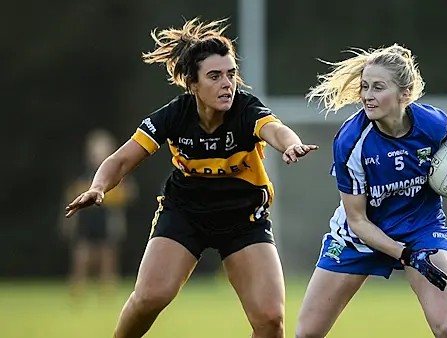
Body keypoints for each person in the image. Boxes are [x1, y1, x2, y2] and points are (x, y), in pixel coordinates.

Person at [65, 18, 317, 338]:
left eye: (230, 74)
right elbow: (121, 159)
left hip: (243, 218)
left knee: (270, 320)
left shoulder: (246, 109)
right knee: (151, 297)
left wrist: (292, 144)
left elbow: (275, 130)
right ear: (192, 84)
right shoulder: (175, 115)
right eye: (214, 76)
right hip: (185, 214)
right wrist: (98, 187)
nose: (227, 84)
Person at [295, 44, 447, 338]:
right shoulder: (351, 142)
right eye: (365, 87)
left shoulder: (433, 124)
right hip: (359, 237)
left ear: (404, 94)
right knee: (307, 334)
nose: (367, 96)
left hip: (421, 230)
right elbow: (357, 221)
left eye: (378, 87)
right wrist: (405, 255)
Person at [61, 129, 137, 300]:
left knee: (108, 258)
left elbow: (130, 194)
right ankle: (77, 291)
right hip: (86, 220)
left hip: (107, 220)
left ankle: (107, 292)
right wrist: (68, 223)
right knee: (82, 257)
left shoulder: (117, 175)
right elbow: (70, 197)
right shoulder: (82, 175)